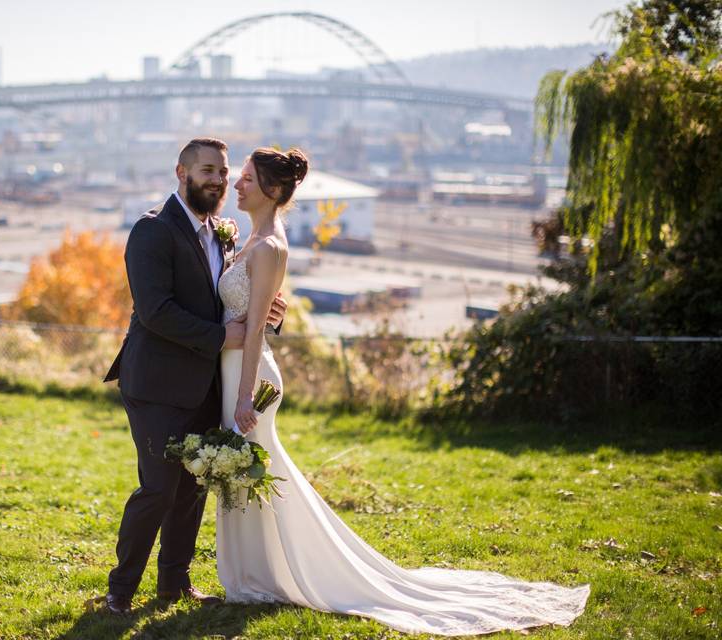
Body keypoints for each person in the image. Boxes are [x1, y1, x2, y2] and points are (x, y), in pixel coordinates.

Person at [215, 146, 591, 636]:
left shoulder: (270, 248)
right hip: (231, 371)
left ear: (273, 190)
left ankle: (266, 576)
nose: (237, 185)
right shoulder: (250, 240)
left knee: (252, 471)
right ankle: (254, 575)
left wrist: (245, 397)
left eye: (246, 178)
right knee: (248, 474)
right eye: (239, 177)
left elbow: (259, 330)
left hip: (250, 378)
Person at [101, 138, 287, 614]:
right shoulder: (152, 232)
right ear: (181, 173)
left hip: (206, 385)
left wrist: (268, 313)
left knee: (192, 488)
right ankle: (120, 591)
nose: (219, 180)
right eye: (208, 170)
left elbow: (235, 298)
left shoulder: (221, 232)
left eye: (224, 172)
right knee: (159, 488)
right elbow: (156, 311)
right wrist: (223, 338)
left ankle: (174, 583)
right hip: (156, 384)